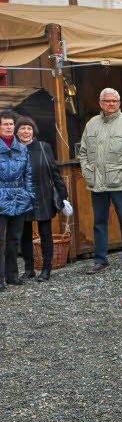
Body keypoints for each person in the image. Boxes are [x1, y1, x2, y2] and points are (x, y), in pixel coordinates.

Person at [78, 88, 122, 274]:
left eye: (115, 101)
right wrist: (87, 171)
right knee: (99, 222)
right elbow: (83, 152)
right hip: (96, 183)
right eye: (107, 101)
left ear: (119, 103)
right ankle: (100, 260)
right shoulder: (92, 124)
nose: (111, 104)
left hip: (120, 182)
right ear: (100, 103)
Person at [15, 116, 68, 282]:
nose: (25, 131)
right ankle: (29, 269)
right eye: (22, 128)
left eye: (29, 128)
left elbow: (54, 171)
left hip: (43, 196)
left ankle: (46, 269)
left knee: (46, 234)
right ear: (17, 131)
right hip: (22, 197)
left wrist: (62, 193)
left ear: (33, 131)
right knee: (24, 235)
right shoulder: (13, 149)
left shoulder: (44, 147)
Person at [0, 111, 34, 290]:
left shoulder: (22, 148)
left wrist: (29, 195)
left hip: (19, 197)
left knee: (14, 239)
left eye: (11, 124)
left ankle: (12, 275)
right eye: (5, 124)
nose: (8, 127)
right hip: (1, 196)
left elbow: (28, 173)